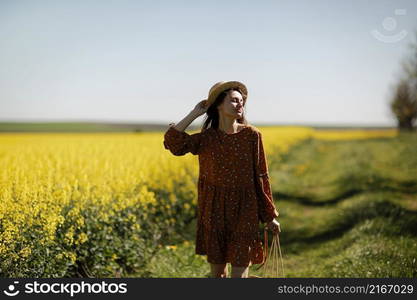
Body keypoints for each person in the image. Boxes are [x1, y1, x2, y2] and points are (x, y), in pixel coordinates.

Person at [163, 81, 281, 278]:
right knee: (217, 274)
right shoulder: (206, 138)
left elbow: (261, 177)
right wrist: (195, 113)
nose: (240, 104)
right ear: (218, 104)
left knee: (240, 270)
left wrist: (269, 215)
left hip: (245, 208)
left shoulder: (252, 135)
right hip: (214, 208)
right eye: (234, 100)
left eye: (242, 101)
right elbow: (173, 143)